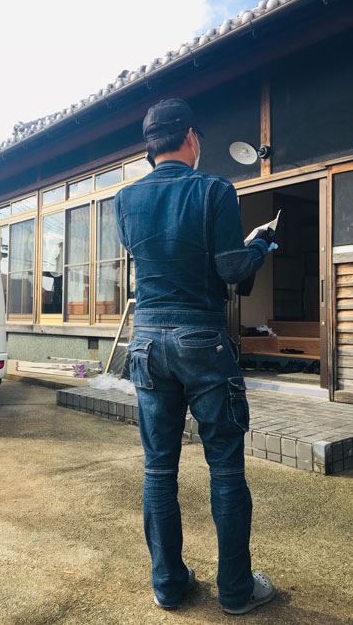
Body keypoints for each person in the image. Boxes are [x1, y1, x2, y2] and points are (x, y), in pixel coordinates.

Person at [114, 98, 276, 615]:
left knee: (158, 469)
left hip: (146, 341)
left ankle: (168, 585)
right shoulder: (214, 190)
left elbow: (155, 254)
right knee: (225, 468)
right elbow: (231, 270)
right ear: (190, 137)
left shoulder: (124, 198)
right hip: (201, 339)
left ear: (150, 147)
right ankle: (235, 591)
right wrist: (260, 247)